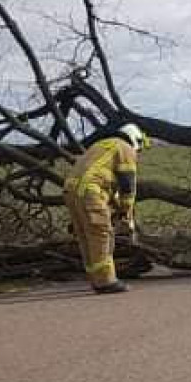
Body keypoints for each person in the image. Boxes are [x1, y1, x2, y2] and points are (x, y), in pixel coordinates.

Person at [64, 123, 148, 294]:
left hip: (71, 190)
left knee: (85, 235)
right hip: (90, 191)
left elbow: (102, 178)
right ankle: (105, 281)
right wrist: (126, 211)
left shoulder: (102, 145)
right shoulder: (125, 148)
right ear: (135, 139)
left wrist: (114, 206)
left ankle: (95, 277)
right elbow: (127, 185)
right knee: (101, 233)